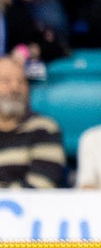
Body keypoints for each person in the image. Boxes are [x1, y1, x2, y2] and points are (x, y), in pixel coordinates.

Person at [0, 56, 66, 188]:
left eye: (21, 82)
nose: (15, 88)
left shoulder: (44, 128)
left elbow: (42, 183)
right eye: (6, 81)